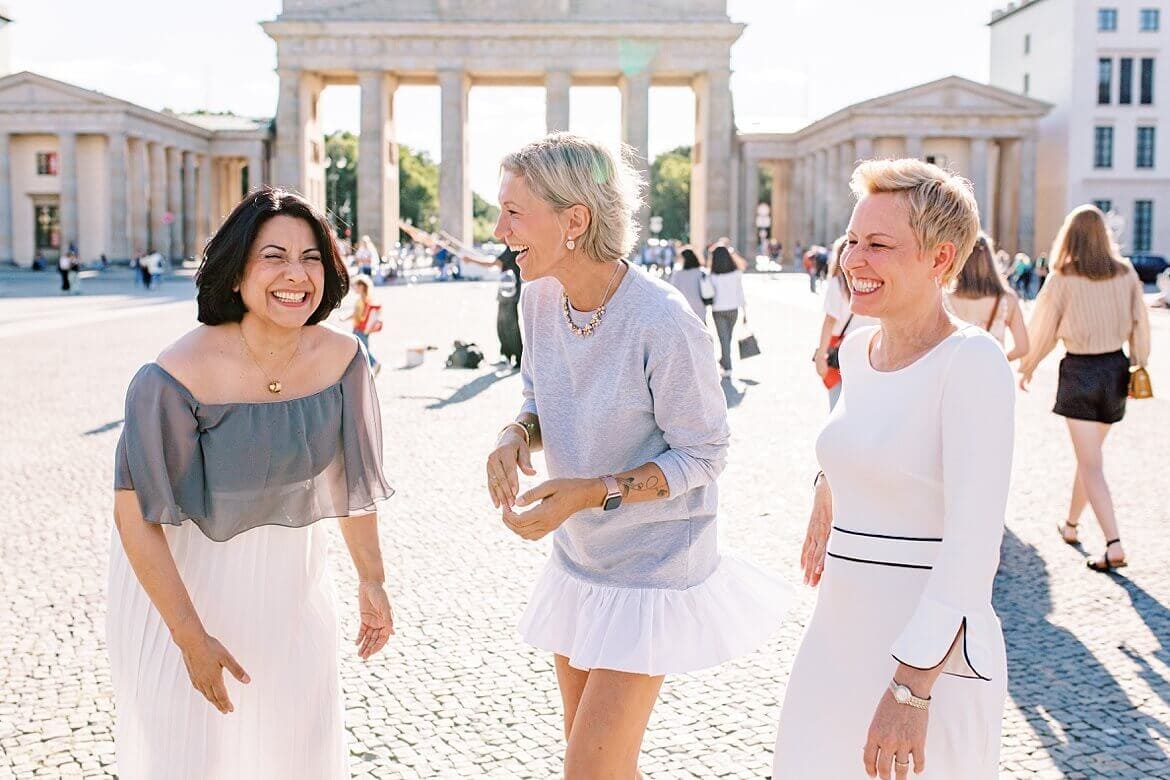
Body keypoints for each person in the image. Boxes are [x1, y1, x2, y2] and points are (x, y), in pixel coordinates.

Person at [484, 133, 789, 778]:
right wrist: (515, 434)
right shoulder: (539, 296)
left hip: (656, 563)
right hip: (582, 558)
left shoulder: (664, 320)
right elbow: (538, 396)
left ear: (575, 220)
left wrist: (590, 491)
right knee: (601, 763)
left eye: (514, 211)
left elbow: (704, 455)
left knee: (588, 769)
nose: (498, 227)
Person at [107, 187, 396, 778]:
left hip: (294, 593)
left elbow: (352, 483)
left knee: (301, 754)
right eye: (274, 256)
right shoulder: (171, 376)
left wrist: (372, 580)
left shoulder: (346, 360)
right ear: (236, 272)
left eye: (311, 256)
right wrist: (190, 639)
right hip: (183, 600)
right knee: (193, 758)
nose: (297, 274)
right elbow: (134, 518)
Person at [777, 159, 1012, 779]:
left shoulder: (974, 363)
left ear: (941, 258)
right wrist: (828, 485)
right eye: (852, 240)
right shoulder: (856, 349)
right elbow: (871, 441)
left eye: (878, 245)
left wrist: (912, 689)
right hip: (834, 641)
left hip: (929, 664)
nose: (853, 259)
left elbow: (973, 547)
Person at [1018, 204, 1151, 572]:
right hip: (1116, 369)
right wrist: (1140, 359)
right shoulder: (1126, 273)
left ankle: (1114, 544)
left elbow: (1043, 327)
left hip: (1080, 370)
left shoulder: (1062, 277)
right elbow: (1141, 322)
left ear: (1070, 235)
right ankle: (1072, 525)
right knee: (1089, 458)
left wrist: (1027, 366)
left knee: (1091, 463)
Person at [814, 236, 879, 410]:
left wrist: (821, 355)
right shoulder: (873, 283)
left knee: (838, 405)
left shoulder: (837, 283)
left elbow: (830, 320)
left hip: (841, 347)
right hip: (870, 346)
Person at [946, 232, 1031, 362]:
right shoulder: (1008, 300)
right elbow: (1023, 347)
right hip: (994, 378)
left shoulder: (945, 300)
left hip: (955, 376)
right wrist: (1001, 360)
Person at [462, 245, 525, 368]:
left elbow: (495, 263)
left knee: (511, 327)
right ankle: (506, 356)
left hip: (510, 292)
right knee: (502, 326)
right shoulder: (510, 247)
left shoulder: (513, 248)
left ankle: (518, 359)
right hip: (505, 291)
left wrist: (471, 260)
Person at [710, 244, 747, 377]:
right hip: (733, 309)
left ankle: (727, 365)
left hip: (718, 309)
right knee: (728, 338)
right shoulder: (736, 274)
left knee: (723, 339)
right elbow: (740, 293)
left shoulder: (712, 276)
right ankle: (725, 362)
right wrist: (745, 311)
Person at [350, 274, 383, 376]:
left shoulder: (363, 300)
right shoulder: (366, 299)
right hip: (363, 329)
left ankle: (374, 363)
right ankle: (367, 370)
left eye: (355, 286)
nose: (353, 288)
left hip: (360, 329)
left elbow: (358, 315)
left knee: (361, 350)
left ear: (361, 287)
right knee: (362, 350)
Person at [668, 245, 709, 322]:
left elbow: (672, 289)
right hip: (700, 306)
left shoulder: (677, 274)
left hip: (683, 307)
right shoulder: (701, 271)